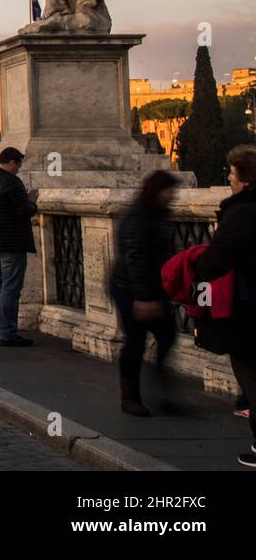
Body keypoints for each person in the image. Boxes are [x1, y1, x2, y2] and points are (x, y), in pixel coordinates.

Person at [195, 145, 256, 467]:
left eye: (232, 174)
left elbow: (218, 257)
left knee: (249, 372)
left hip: (247, 307)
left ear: (244, 179)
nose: (229, 178)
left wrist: (199, 265)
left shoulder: (242, 212)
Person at [110, 170, 181, 417]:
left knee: (168, 335)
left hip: (152, 286)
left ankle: (163, 392)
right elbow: (136, 258)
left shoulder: (159, 213)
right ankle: (129, 398)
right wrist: (142, 297)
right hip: (129, 288)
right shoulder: (138, 217)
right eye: (169, 190)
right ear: (156, 190)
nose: (172, 195)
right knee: (135, 341)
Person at [0, 147, 37, 347]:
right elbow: (22, 211)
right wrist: (32, 202)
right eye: (19, 164)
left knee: (0, 286)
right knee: (10, 288)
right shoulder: (11, 182)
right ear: (12, 162)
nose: (19, 169)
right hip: (12, 241)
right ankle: (7, 333)